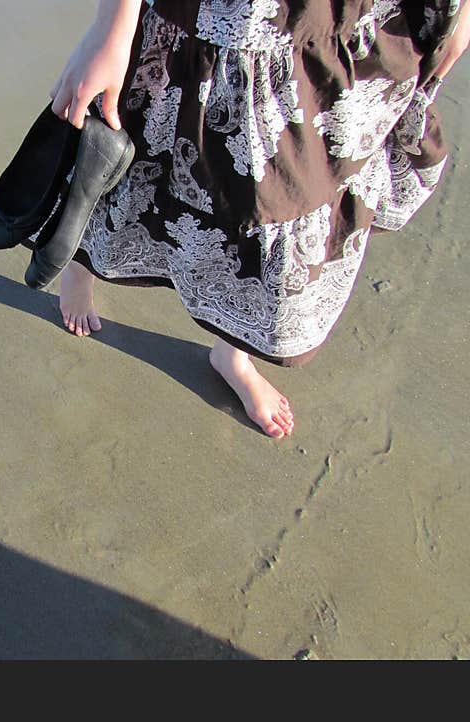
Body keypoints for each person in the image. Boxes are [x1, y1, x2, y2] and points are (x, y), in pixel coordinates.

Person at [48, 0, 470, 438]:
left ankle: (232, 353)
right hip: (212, 21)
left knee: (277, 207)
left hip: (336, 28)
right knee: (122, 162)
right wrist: (111, 29)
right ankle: (82, 269)